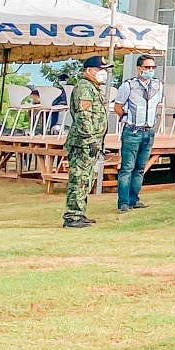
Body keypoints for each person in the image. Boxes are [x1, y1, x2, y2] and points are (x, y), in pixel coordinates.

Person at [109, 54, 165, 212]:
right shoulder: (129, 85)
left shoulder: (157, 85)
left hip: (149, 131)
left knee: (140, 167)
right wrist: (126, 118)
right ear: (139, 68)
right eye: (147, 67)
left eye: (153, 67)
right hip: (133, 130)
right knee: (127, 167)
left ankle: (134, 199)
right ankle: (123, 202)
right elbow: (118, 106)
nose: (150, 70)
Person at [63, 55, 112, 229]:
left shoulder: (92, 88)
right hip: (82, 142)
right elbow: (83, 116)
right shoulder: (84, 88)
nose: (103, 74)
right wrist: (91, 139)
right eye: (100, 70)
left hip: (91, 141)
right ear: (89, 71)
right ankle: (72, 215)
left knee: (86, 178)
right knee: (79, 178)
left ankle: (79, 212)